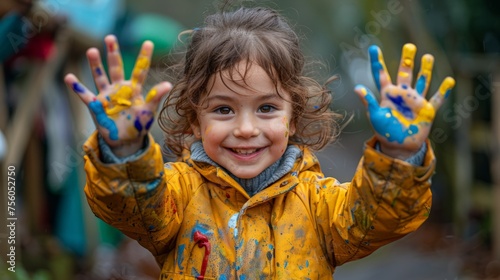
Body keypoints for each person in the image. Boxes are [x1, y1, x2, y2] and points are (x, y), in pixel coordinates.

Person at [64, 6, 456, 280]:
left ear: (294, 116)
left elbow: (376, 220)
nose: (247, 128)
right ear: (195, 120)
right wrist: (127, 150)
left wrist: (401, 155)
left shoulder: (318, 204)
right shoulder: (176, 197)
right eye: (223, 110)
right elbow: (131, 205)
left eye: (266, 107)